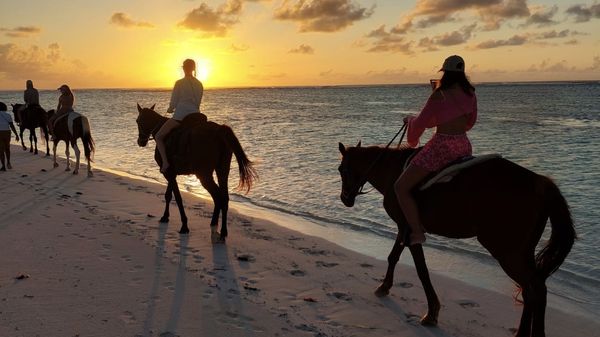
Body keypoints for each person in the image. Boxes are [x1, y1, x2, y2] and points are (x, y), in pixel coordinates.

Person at [394, 55, 477, 245]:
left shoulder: (439, 94)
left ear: (445, 73)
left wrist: (410, 126)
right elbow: (470, 122)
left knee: (400, 187)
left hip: (442, 146)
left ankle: (417, 232)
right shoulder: (471, 93)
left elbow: (421, 123)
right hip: (463, 144)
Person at [156, 58, 204, 173]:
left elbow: (173, 103)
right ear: (193, 69)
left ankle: (166, 163)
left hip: (181, 116)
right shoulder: (199, 84)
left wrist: (170, 109)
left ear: (184, 68)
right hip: (196, 116)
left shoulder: (179, 83)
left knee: (158, 136)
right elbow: (198, 102)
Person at [0, 102, 20, 171]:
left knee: (1, 150)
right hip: (7, 132)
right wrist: (16, 135)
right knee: (7, 148)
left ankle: (3, 166)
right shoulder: (8, 115)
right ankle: (8, 162)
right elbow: (12, 126)